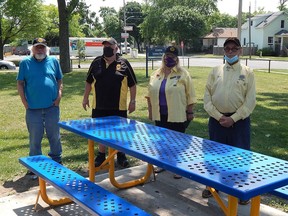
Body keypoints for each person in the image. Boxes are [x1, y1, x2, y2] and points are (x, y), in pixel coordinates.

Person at [202, 37, 256, 205]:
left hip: (239, 122)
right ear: (224, 51)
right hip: (217, 120)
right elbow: (207, 98)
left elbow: (250, 101)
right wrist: (219, 117)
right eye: (227, 49)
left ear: (240, 50)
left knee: (240, 155)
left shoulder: (248, 72)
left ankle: (242, 191)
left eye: (234, 48)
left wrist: (233, 118)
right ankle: (212, 186)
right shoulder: (215, 71)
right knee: (214, 155)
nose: (230, 52)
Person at [82, 37, 137, 168]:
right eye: (105, 47)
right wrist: (85, 98)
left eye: (110, 47)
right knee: (100, 132)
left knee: (120, 132)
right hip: (99, 105)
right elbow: (88, 81)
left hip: (118, 106)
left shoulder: (124, 63)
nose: (107, 49)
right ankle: (101, 155)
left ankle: (121, 155)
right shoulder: (96, 62)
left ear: (116, 48)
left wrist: (133, 101)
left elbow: (133, 84)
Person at [146, 46, 197, 179]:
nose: (169, 58)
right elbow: (149, 94)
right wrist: (150, 110)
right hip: (160, 113)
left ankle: (177, 167)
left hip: (177, 114)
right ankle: (163, 163)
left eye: (173, 56)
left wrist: (190, 112)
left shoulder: (183, 74)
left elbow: (190, 95)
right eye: (167, 55)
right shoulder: (156, 73)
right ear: (163, 57)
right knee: (162, 141)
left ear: (177, 59)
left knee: (177, 141)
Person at [17, 38, 63, 176]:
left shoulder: (53, 61)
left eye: (42, 47)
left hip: (51, 107)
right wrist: (24, 101)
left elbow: (59, 79)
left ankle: (57, 160)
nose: (40, 50)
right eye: (37, 47)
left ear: (46, 49)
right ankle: (35, 166)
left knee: (54, 135)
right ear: (32, 49)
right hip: (33, 109)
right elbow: (20, 83)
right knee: (35, 137)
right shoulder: (25, 63)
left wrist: (59, 94)